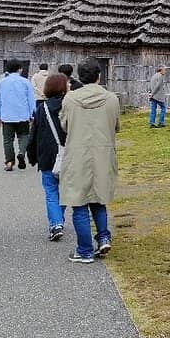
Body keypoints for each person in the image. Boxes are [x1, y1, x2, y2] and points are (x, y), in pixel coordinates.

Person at [60, 57, 119, 263]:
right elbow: (116, 126)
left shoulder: (70, 99)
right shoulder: (112, 98)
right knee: (98, 199)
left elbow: (65, 126)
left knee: (79, 203)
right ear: (99, 75)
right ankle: (103, 236)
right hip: (103, 153)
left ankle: (84, 250)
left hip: (78, 154)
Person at [28, 73, 68, 241]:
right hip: (68, 155)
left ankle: (56, 223)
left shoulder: (41, 109)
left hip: (47, 155)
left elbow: (34, 134)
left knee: (51, 191)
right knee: (64, 191)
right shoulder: (70, 106)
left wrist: (32, 155)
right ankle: (58, 219)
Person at [0, 59, 35, 171]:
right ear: (20, 69)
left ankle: (9, 161)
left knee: (8, 139)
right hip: (23, 114)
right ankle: (21, 152)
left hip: (7, 115)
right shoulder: (25, 82)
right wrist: (32, 115)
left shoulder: (2, 82)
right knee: (24, 136)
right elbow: (31, 100)